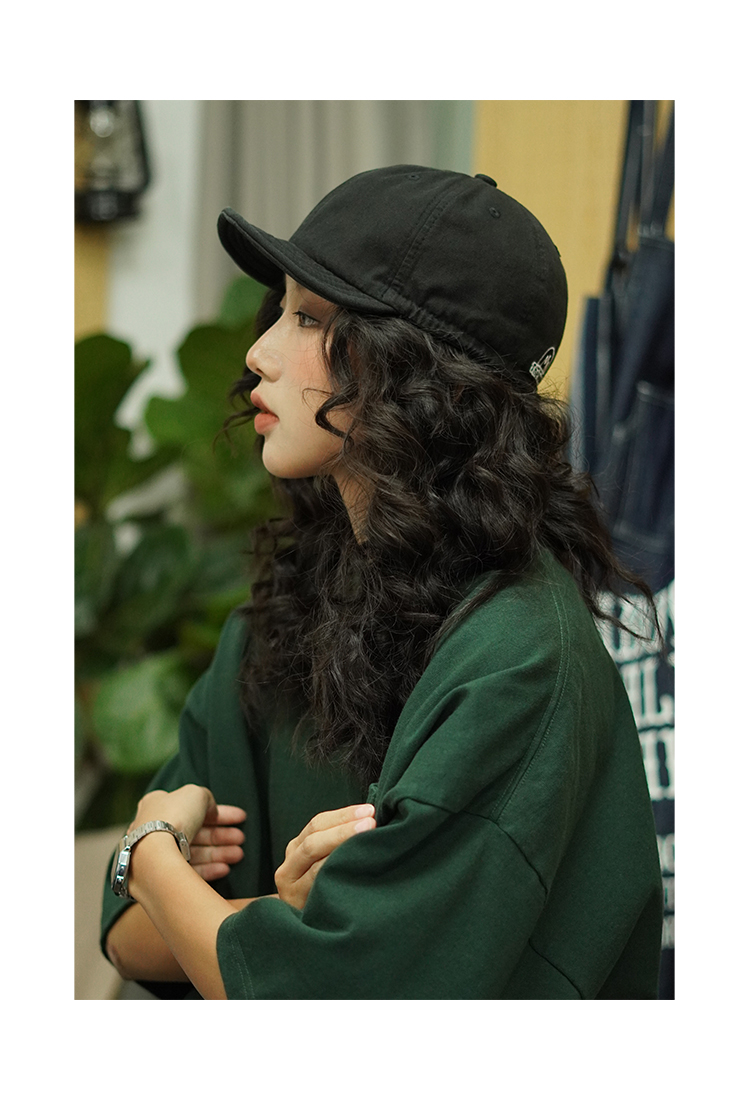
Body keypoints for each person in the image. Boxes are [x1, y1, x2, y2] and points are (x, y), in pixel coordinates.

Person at [100, 165, 663, 999]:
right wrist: (284, 922)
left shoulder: (519, 661)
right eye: (280, 308)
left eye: (308, 318)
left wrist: (149, 854)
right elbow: (129, 938)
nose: (257, 352)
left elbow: (329, 1003)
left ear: (414, 372)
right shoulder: (282, 618)